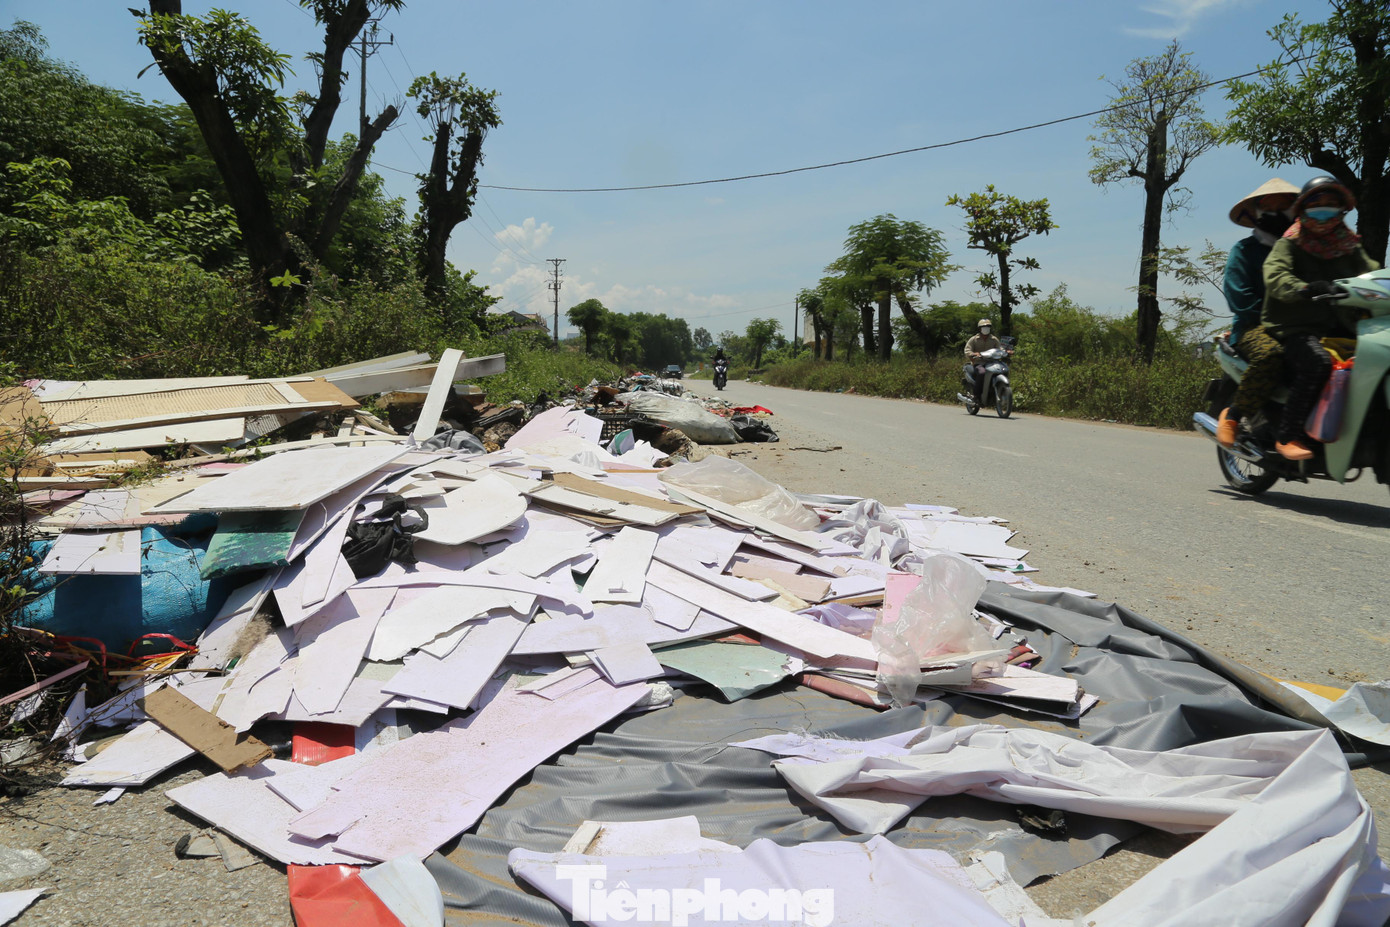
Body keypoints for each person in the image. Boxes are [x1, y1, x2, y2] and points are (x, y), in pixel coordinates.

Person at [1261, 176, 1380, 460]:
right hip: (1295, 327)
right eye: (1316, 204)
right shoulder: (1289, 243)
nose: (1324, 210)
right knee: (1318, 363)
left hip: (1343, 325)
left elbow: (1373, 271)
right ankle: (1288, 436)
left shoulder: (1350, 245)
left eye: (1331, 204)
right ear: (1303, 209)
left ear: (1342, 209)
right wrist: (1304, 288)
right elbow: (1275, 276)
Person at [1215, 178, 1299, 448]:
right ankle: (1235, 417)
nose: (1275, 210)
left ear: (1294, 210)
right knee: (1271, 355)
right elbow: (1240, 299)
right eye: (1268, 205)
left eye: (1283, 204)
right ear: (1257, 213)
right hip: (1253, 328)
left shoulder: (1306, 251)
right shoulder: (1244, 251)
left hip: (1301, 327)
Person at [963, 319, 1001, 405]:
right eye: (984, 327)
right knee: (981, 372)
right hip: (979, 363)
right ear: (980, 328)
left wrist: (1006, 351)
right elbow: (967, 350)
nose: (986, 328)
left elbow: (999, 349)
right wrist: (973, 354)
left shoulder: (994, 339)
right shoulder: (974, 339)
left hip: (992, 363)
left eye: (988, 327)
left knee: (1001, 371)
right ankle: (976, 396)